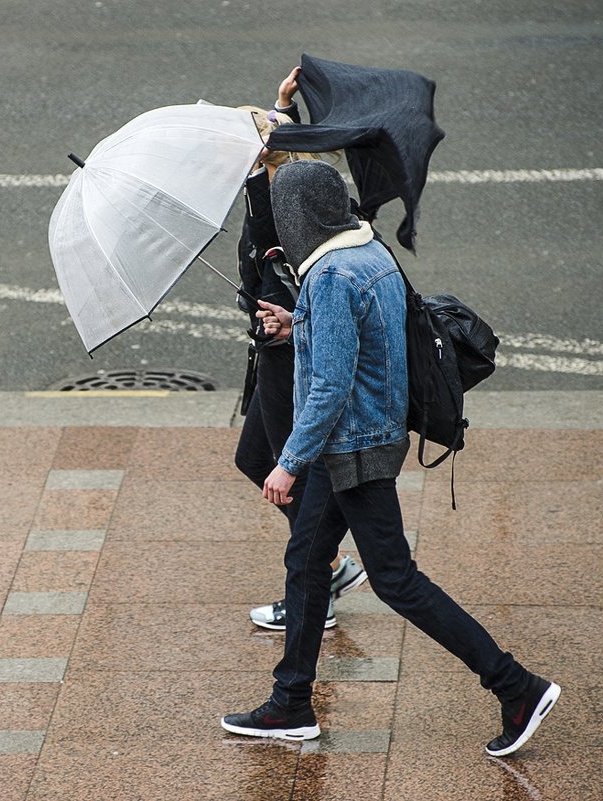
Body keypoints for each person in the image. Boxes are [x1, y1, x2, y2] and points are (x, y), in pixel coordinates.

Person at [221, 159, 560, 757]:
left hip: (351, 449)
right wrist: (294, 323)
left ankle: (517, 687)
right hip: (363, 440)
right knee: (305, 561)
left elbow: (330, 383)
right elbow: (360, 336)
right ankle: (290, 702)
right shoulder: (367, 251)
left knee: (396, 581)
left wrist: (289, 461)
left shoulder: (328, 276)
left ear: (299, 216)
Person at [234, 67, 367, 633]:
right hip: (277, 351)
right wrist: (281, 103)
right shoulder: (283, 187)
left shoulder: (278, 208)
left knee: (295, 472)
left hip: (288, 355)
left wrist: (285, 325)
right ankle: (329, 567)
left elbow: (280, 161)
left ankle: (317, 583)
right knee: (253, 458)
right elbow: (285, 151)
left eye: (258, 143)